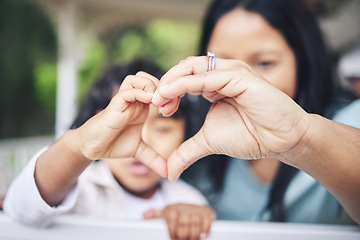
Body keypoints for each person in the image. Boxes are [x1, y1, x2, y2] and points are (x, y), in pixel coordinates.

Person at [159, 0, 360, 224]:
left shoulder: (352, 121)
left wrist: (301, 137)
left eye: (264, 63)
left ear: (304, 61)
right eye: (220, 65)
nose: (237, 81)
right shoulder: (187, 133)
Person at [3, 59, 215, 240]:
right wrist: (77, 146)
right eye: (123, 127)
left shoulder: (190, 200)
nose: (143, 140)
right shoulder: (79, 188)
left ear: (185, 133)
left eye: (162, 127)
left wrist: (193, 219)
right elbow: (22, 208)